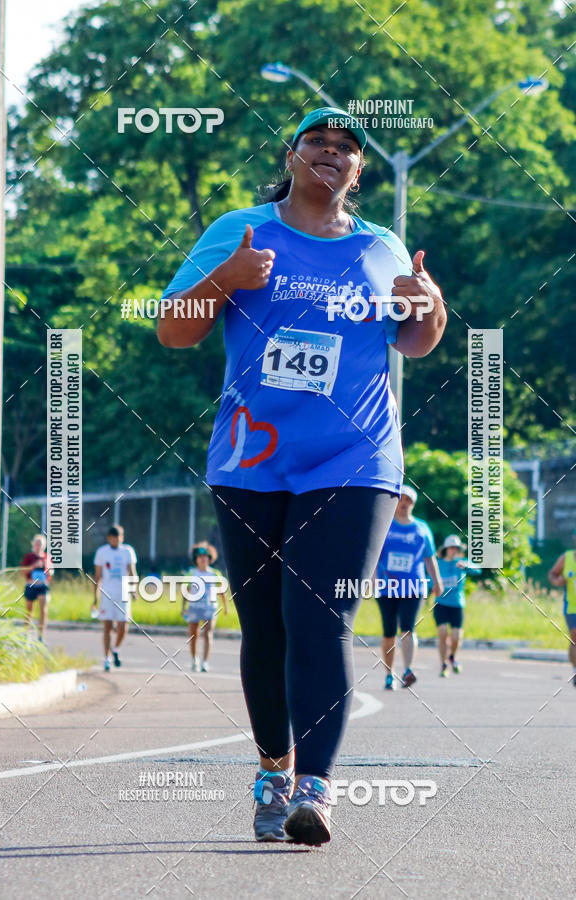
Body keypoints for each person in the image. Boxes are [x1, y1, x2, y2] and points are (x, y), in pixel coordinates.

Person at [158, 106, 446, 845]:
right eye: (316, 142)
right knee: (266, 629)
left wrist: (431, 310)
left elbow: (415, 342)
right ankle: (270, 767)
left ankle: (313, 789)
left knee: (322, 618)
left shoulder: (383, 247)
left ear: (357, 170)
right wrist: (228, 276)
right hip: (252, 458)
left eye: (345, 148)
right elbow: (174, 329)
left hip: (355, 460)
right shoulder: (240, 230)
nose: (330, 153)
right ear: (291, 156)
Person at [375, 485, 443, 690]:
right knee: (388, 632)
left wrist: (437, 581)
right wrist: (371, 579)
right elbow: (374, 555)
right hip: (387, 587)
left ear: (413, 504)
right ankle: (389, 674)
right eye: (402, 499)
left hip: (414, 586)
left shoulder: (422, 528)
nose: (405, 504)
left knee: (407, 628)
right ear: (396, 501)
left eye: (409, 501)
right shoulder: (385, 525)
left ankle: (407, 670)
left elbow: (429, 557)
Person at [92, 525, 138, 671]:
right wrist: (95, 596)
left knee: (123, 626)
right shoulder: (102, 552)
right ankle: (106, 658)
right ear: (109, 538)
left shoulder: (128, 551)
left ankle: (115, 648)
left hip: (123, 593)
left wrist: (134, 590)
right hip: (107, 593)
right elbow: (97, 576)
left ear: (122, 537)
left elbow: (132, 572)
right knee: (107, 626)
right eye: (113, 537)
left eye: (119, 537)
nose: (116, 540)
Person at [434, 535, 481, 677]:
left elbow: (478, 570)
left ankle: (452, 656)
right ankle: (443, 664)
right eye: (451, 548)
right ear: (446, 549)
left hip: (457, 604)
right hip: (441, 603)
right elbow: (431, 579)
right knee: (442, 633)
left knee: (456, 636)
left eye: (456, 548)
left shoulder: (462, 562)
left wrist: (467, 566)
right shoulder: (438, 563)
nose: (453, 550)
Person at [181, 541, 229, 672]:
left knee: (208, 633)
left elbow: (221, 591)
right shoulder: (191, 573)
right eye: (200, 556)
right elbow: (186, 591)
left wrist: (226, 606)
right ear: (196, 559)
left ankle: (205, 662)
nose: (202, 558)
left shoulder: (215, 574)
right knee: (194, 634)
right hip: (194, 607)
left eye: (205, 556)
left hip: (210, 608)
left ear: (210, 558)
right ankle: (194, 659)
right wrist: (183, 607)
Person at [548, 528, 576, 687]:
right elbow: (553, 574)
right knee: (575, 636)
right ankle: (575, 669)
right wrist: (557, 581)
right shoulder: (566, 558)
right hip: (572, 605)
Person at [20, 533, 54, 643]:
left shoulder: (47, 557)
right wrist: (33, 566)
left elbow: (51, 572)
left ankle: (41, 636)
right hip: (30, 585)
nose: (38, 546)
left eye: (40, 544)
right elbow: (22, 572)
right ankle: (26, 634)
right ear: (33, 545)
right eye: (36, 544)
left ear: (44, 545)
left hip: (42, 586)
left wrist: (48, 569)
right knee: (29, 611)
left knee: (43, 609)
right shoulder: (29, 557)